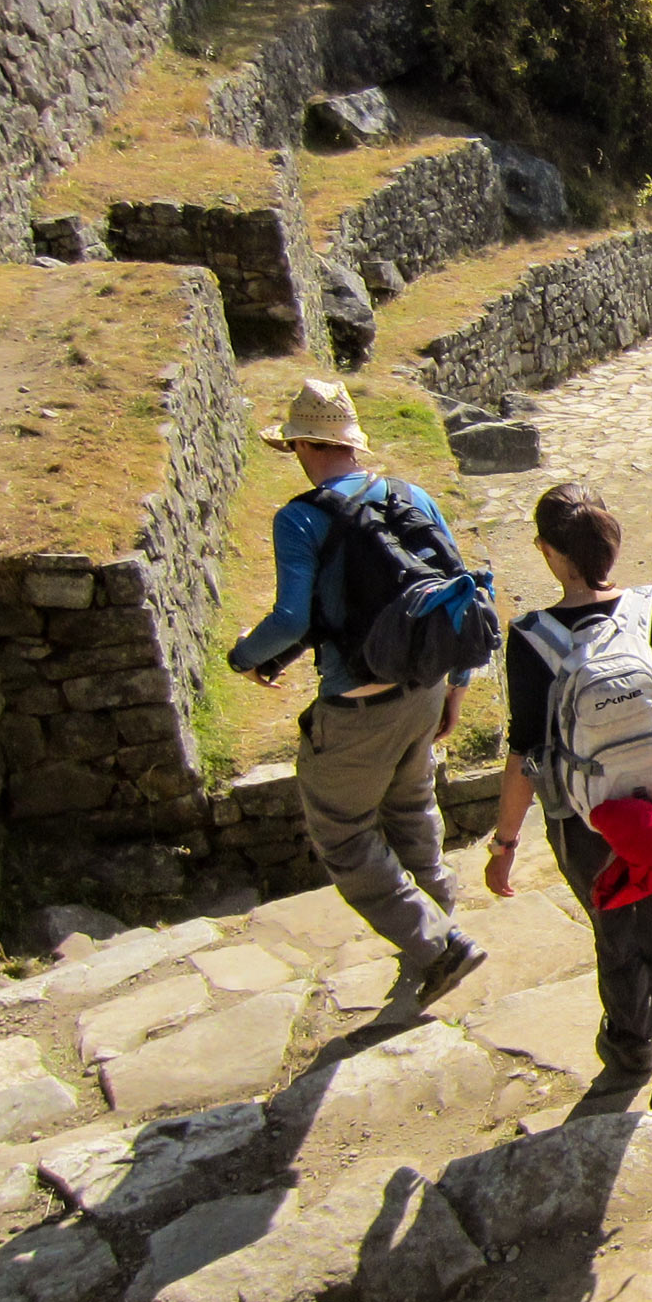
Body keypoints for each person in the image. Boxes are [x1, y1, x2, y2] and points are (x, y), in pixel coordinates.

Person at [228, 378, 488, 1008]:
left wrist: (245, 655)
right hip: (424, 685)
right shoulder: (411, 494)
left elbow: (291, 618)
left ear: (302, 446)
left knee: (343, 835)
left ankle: (437, 942)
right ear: (349, 443)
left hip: (358, 701)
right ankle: (440, 911)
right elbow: (459, 587)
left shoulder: (300, 518)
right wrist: (457, 685)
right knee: (409, 803)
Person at [488, 483, 652, 1107]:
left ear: (547, 553)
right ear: (611, 544)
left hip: (588, 824)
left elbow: (524, 754)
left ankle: (628, 1048)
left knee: (615, 928)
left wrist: (504, 842)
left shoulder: (532, 637)